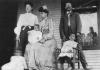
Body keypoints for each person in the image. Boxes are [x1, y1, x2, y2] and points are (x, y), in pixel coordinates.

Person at [24, 5, 57, 70]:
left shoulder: (50, 21)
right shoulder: (39, 23)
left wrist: (44, 38)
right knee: (29, 46)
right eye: (40, 13)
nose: (41, 14)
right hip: (40, 39)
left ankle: (43, 66)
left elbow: (51, 33)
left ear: (46, 13)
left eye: (42, 13)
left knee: (40, 48)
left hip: (49, 40)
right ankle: (32, 66)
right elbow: (37, 33)